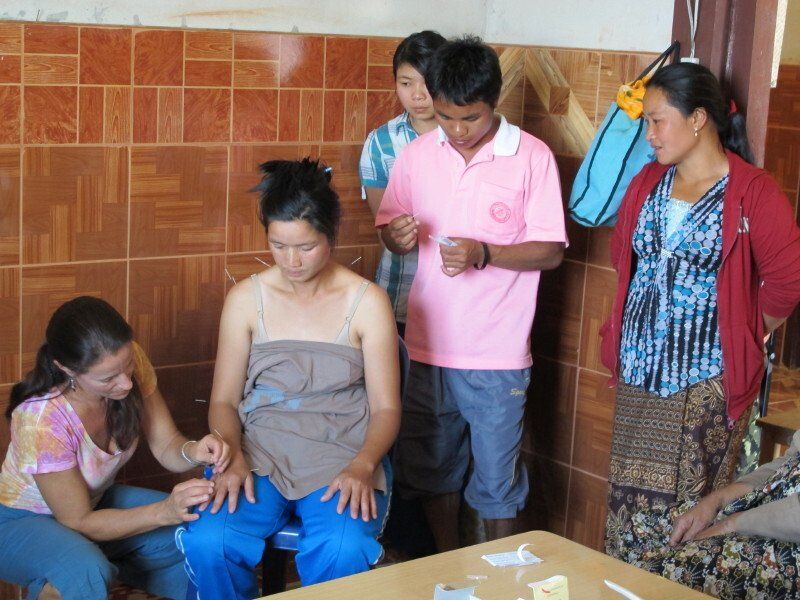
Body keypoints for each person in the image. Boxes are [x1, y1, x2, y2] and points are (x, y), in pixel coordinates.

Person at [178, 158, 401, 599]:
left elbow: (387, 408)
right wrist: (234, 452)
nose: (292, 261)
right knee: (209, 540)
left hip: (342, 454)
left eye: (306, 246)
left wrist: (362, 464)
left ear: (331, 236)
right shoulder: (246, 299)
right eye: (279, 245)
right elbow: (223, 401)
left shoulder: (366, 302)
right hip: (258, 451)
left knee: (345, 546)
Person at [602, 62, 800, 556]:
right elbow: (623, 257)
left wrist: (743, 337)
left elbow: (787, 281)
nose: (649, 135)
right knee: (627, 512)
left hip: (703, 384)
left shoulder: (753, 191)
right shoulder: (648, 182)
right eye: (645, 121)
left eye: (657, 120)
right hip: (639, 374)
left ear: (698, 119)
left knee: (684, 524)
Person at [376, 36, 566, 550]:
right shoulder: (417, 155)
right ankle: (450, 567)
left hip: (496, 353)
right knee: (432, 473)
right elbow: (389, 224)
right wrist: (395, 236)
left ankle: (498, 576)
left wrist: (487, 253)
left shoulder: (531, 157)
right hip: (427, 346)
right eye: (445, 118)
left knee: (497, 484)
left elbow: (550, 250)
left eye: (471, 118)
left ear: (495, 102)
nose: (457, 132)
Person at [0, 296, 229, 600]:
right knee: (86, 569)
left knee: (194, 532)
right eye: (108, 378)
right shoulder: (40, 419)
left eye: (128, 367)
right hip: (20, 522)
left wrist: (194, 450)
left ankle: (67, 577)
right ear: (67, 369)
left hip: (94, 504)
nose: (126, 383)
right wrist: (164, 511)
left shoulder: (126, 360)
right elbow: (77, 520)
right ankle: (69, 576)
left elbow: (167, 446)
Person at [609, 430, 800, 598]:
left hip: (787, 538)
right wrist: (715, 501)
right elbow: (789, 461)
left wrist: (732, 524)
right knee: (638, 529)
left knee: (669, 569)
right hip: (763, 502)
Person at [359, 30, 446, 337]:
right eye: (406, 83)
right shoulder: (382, 143)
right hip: (401, 296)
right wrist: (397, 235)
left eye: (428, 82)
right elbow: (384, 232)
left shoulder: (470, 137)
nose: (418, 95)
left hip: (461, 301)